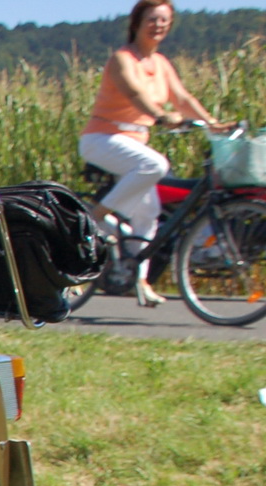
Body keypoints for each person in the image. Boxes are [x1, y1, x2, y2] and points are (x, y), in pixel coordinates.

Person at [79, 0, 220, 307]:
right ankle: (97, 215)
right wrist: (160, 114)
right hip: (102, 138)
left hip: (133, 144)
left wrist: (213, 124)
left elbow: (182, 97)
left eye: (164, 21)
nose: (159, 26)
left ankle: (139, 281)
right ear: (137, 23)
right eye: (153, 19)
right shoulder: (123, 58)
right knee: (155, 164)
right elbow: (134, 92)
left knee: (148, 215)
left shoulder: (161, 63)